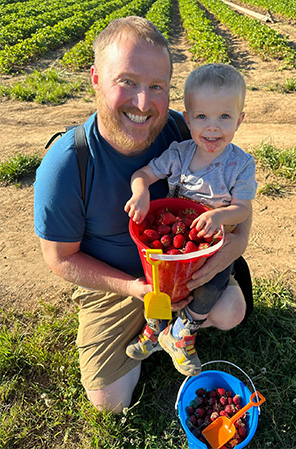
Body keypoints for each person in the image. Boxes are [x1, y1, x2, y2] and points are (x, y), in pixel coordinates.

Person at [34, 16, 253, 415]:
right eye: (127, 82)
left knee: (230, 312)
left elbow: (235, 201)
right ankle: (153, 323)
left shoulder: (180, 131)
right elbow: (59, 257)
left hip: (184, 268)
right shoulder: (67, 165)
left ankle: (172, 330)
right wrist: (136, 289)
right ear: (97, 79)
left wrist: (234, 245)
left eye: (156, 87)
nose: (142, 102)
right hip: (118, 281)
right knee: (111, 403)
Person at [124, 63, 257, 377]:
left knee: (214, 283)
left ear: (240, 119)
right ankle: (154, 329)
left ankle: (182, 332)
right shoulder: (179, 154)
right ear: (187, 119)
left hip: (211, 248)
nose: (212, 128)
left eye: (224, 117)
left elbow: (242, 209)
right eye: (202, 117)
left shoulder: (241, 164)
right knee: (159, 285)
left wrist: (221, 215)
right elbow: (143, 174)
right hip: (179, 242)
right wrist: (141, 190)